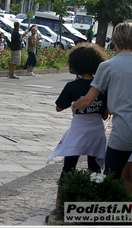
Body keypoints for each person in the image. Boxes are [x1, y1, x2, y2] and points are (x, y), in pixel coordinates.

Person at [72, 22, 132, 201]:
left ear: (115, 42)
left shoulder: (108, 66)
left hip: (123, 134)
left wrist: (74, 105)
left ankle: (109, 218)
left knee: (110, 178)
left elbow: (88, 99)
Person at [46, 43, 108, 208]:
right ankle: (95, 203)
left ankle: (59, 206)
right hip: (96, 131)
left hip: (78, 130)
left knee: (68, 168)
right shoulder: (101, 87)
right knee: (95, 170)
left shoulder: (72, 86)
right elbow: (105, 114)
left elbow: (59, 107)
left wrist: (75, 103)